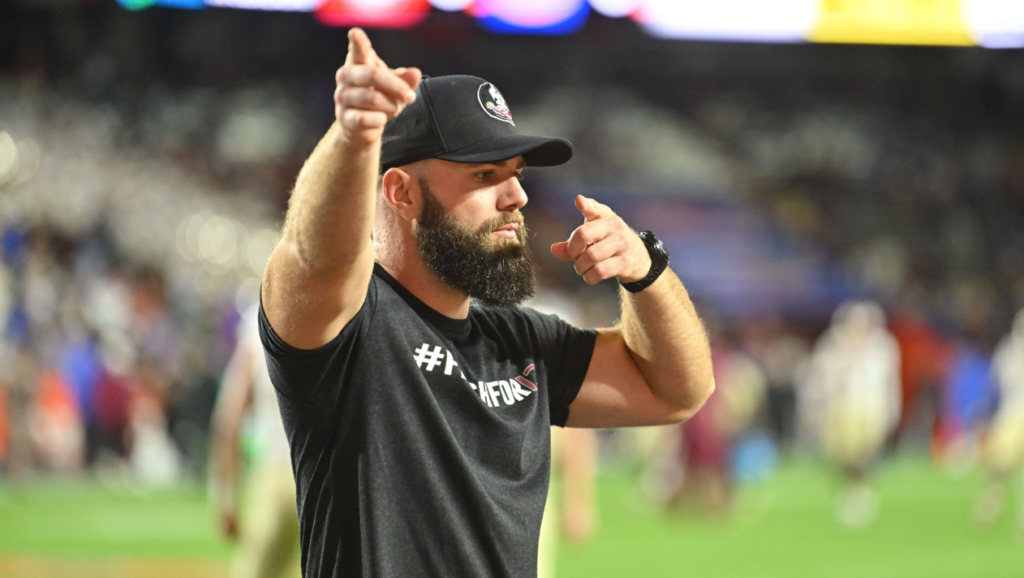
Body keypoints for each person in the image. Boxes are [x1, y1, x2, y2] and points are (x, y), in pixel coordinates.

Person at [258, 28, 715, 578]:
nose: (517, 196)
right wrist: (352, 138)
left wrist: (647, 273)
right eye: (484, 175)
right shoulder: (352, 329)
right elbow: (313, 257)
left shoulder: (521, 341)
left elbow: (679, 391)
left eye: (516, 175)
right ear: (401, 192)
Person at [210, 304, 300, 578]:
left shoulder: (261, 318)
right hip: (332, 475)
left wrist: (225, 498)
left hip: (278, 471)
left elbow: (229, 418)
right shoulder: (347, 304)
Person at [803, 300, 901, 529]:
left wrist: (892, 409)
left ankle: (861, 492)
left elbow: (888, 382)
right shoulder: (834, 346)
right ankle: (850, 489)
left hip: (870, 407)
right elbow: (822, 378)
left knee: (864, 453)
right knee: (842, 454)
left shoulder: (882, 347)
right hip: (843, 408)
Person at [974, 308, 1024, 532]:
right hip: (1012, 413)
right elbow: (998, 385)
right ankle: (991, 502)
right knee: (999, 464)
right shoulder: (1009, 352)